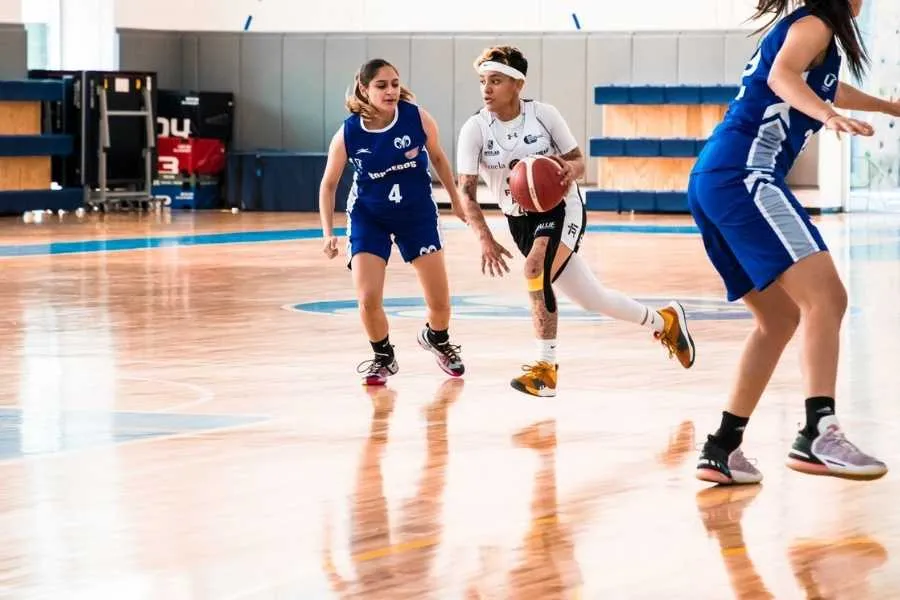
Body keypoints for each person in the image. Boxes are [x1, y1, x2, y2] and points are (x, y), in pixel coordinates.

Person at [689, 0, 898, 484]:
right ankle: (818, 432)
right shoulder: (815, 24)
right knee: (827, 297)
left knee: (779, 318)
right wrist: (827, 117)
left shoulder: (810, 29)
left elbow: (817, 82)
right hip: (746, 175)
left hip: (715, 177)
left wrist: (886, 106)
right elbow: (784, 77)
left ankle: (721, 447)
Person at [455, 45, 696, 398]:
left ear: (517, 85)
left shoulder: (544, 115)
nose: (486, 89)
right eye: (483, 81)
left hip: (560, 206)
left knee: (535, 268)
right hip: (519, 219)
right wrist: (485, 238)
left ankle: (545, 369)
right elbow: (466, 193)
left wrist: (569, 170)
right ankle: (665, 321)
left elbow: (579, 163)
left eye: (495, 80)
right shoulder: (475, 129)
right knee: (593, 298)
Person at [319, 58, 467, 386]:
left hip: (416, 215)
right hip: (369, 217)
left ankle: (437, 339)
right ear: (364, 88)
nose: (390, 91)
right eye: (381, 85)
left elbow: (439, 158)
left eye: (395, 84)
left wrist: (456, 199)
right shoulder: (348, 133)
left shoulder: (416, 117)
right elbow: (328, 184)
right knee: (368, 298)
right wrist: (327, 233)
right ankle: (383, 357)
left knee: (440, 302)